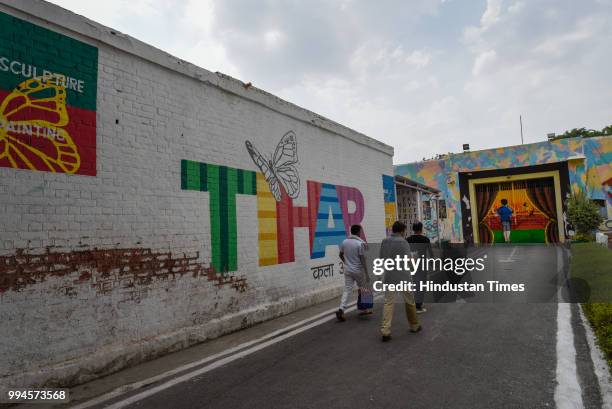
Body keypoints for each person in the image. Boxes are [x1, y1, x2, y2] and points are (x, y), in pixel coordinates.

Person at [379, 221, 422, 342]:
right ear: (402, 231)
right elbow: (409, 260)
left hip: (390, 276)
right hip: (404, 276)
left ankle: (385, 331)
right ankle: (414, 326)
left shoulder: (384, 241)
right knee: (409, 302)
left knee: (388, 303)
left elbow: (382, 259)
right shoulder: (403, 242)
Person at [336, 224, 370, 321]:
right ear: (359, 232)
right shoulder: (359, 244)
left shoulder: (345, 242)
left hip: (348, 270)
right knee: (365, 287)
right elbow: (363, 260)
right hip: (358, 270)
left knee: (347, 290)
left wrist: (346, 262)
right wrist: (367, 273)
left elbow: (340, 255)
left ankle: (341, 309)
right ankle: (365, 309)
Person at [406, 221, 433, 313]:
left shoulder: (408, 239)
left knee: (414, 283)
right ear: (421, 229)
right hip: (422, 264)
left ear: (413, 229)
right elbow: (431, 254)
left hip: (412, 264)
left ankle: (414, 303)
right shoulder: (425, 240)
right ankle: (418, 305)